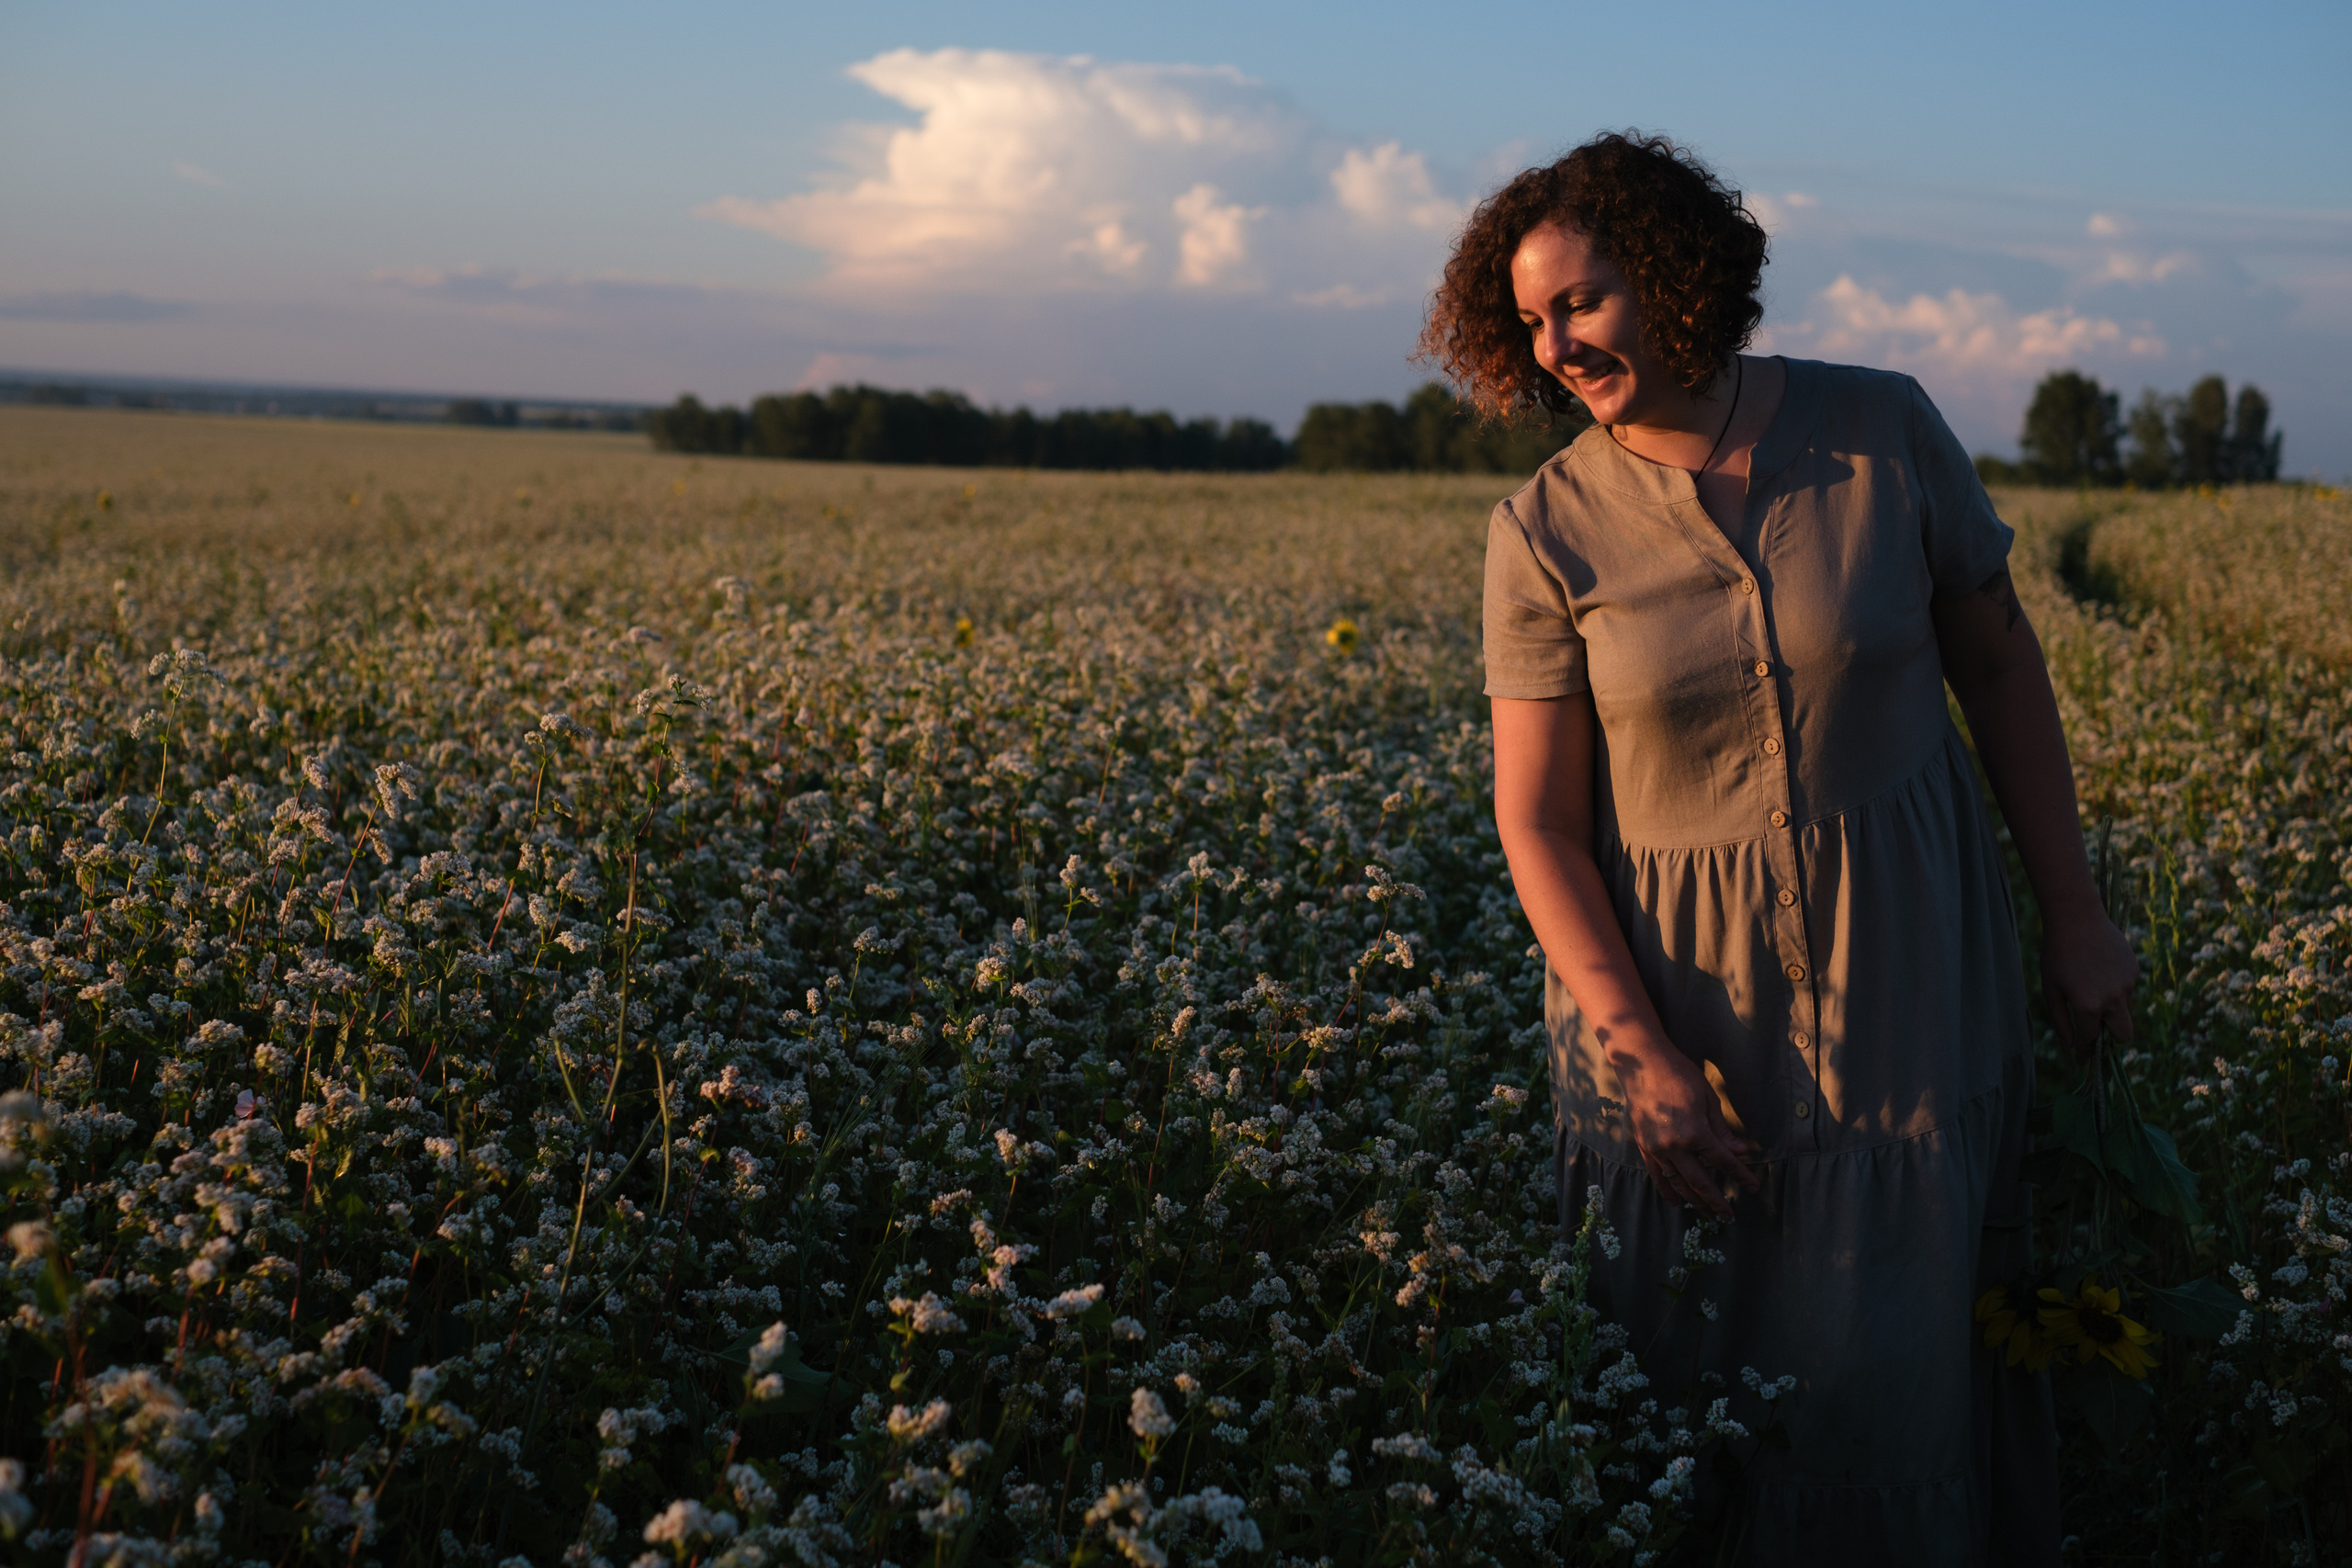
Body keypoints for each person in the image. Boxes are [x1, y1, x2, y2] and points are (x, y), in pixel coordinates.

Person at [1418, 131, 2139, 1562]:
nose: (1556, 343)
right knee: (1681, 1395)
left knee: (1894, 1376)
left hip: (1909, 987)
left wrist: (2076, 915)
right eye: (1532, 320)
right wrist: (1640, 1059)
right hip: (1679, 1013)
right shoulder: (1544, 530)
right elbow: (1539, 820)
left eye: (1586, 300)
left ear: (1681, 276)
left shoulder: (1885, 431)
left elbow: (2001, 674)